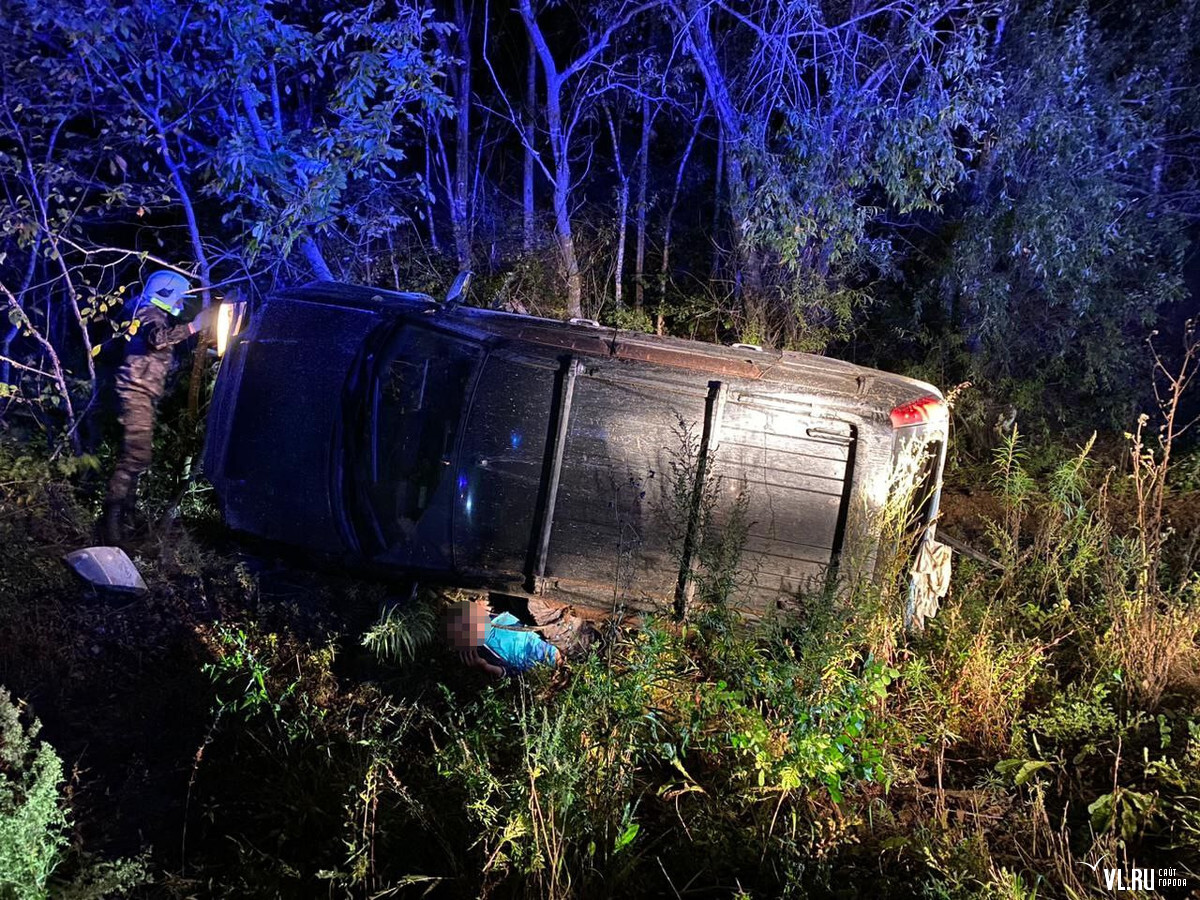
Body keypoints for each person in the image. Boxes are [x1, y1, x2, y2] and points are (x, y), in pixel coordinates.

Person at [100, 271, 214, 544]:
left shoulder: (147, 313)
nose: (181, 302)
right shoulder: (149, 313)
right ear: (166, 292)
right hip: (135, 392)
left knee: (137, 457)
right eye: (178, 296)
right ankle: (111, 524)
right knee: (136, 457)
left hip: (140, 393)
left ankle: (124, 515)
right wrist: (192, 327)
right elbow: (156, 339)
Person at [444, 599, 561, 677]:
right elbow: (507, 672)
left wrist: (483, 665)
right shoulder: (480, 649)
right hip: (532, 652)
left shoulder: (495, 616)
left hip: (542, 641)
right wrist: (484, 666)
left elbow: (507, 673)